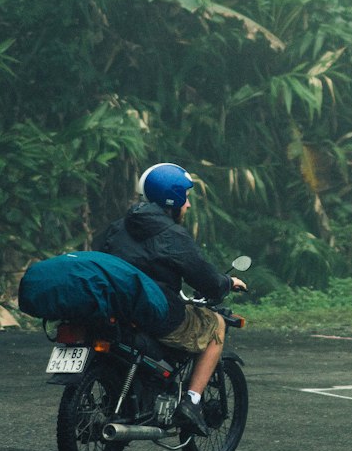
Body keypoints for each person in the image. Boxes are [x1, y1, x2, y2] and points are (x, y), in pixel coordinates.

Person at [93, 162, 247, 437]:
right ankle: (191, 403)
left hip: (115, 308)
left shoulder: (118, 227)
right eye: (185, 198)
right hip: (153, 312)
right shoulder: (171, 235)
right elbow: (205, 278)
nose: (187, 205)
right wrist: (226, 283)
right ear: (173, 199)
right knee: (215, 326)